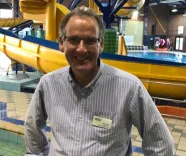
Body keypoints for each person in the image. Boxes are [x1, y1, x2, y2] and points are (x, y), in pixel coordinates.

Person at [24, 6, 174, 156]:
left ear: (100, 44)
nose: (81, 49)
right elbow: (33, 133)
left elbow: (161, 145)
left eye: (90, 41)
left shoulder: (129, 88)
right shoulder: (48, 85)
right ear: (62, 43)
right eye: (74, 40)